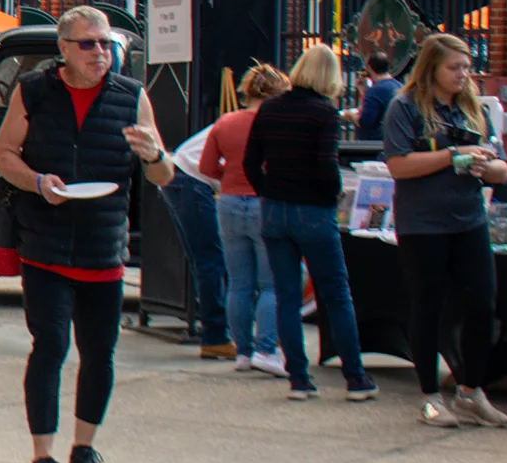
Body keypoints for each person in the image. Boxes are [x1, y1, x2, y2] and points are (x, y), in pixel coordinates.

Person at [0, 5, 172, 463]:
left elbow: (163, 176)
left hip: (103, 247)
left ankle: (84, 450)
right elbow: (2, 156)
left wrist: (153, 155)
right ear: (64, 49)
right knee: (49, 348)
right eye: (88, 44)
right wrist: (38, 181)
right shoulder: (34, 91)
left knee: (100, 355)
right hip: (46, 244)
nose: (101, 53)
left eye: (107, 44)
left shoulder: (131, 97)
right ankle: (42, 458)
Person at [381, 33, 507, 428]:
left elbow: (503, 169)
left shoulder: (472, 108)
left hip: (469, 219)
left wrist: (483, 167)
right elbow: (399, 165)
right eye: (454, 67)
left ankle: (471, 390)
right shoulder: (404, 108)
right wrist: (453, 156)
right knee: (428, 305)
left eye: (466, 67)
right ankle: (430, 396)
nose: (462, 74)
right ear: (431, 68)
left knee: (482, 304)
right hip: (424, 224)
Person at [251, 43, 375, 405]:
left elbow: (248, 160)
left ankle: (299, 380)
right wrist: (332, 195)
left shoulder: (270, 108)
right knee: (335, 293)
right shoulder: (325, 113)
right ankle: (355, 377)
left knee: (286, 295)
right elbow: (326, 166)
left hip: (274, 208)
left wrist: (268, 190)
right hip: (313, 211)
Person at [199, 65, 288, 372]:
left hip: (229, 202)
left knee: (238, 283)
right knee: (270, 283)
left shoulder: (225, 122)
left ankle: (243, 352)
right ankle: (266, 348)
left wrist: (230, 176)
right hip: (266, 202)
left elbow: (207, 166)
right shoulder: (279, 123)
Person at [158, 110, 234, 362]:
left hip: (181, 174)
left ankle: (217, 332)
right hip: (190, 178)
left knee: (206, 260)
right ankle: (216, 336)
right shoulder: (254, 123)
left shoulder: (237, 119)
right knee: (210, 260)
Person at [355, 49, 401, 140]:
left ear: (369, 67)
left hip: (374, 143)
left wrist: (351, 117)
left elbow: (365, 121)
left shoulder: (375, 91)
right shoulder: (399, 86)